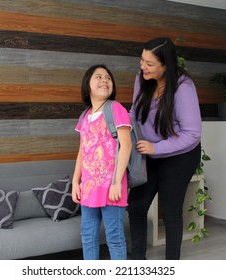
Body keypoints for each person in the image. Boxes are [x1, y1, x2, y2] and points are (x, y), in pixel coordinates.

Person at [127, 37, 202, 260]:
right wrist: (123, 129)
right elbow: (135, 111)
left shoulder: (183, 88)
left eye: (149, 63)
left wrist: (156, 148)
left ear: (166, 66)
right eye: (142, 60)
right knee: (136, 206)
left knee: (170, 212)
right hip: (149, 152)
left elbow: (192, 133)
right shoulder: (142, 78)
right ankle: (137, 260)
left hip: (180, 155)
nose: (143, 67)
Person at [72, 64, 132, 260]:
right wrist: (75, 182)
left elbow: (126, 146)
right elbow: (83, 151)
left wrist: (116, 182)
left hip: (111, 186)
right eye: (98, 77)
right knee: (88, 237)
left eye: (108, 77)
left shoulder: (116, 109)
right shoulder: (84, 116)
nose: (105, 80)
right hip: (89, 187)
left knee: (114, 237)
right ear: (87, 84)